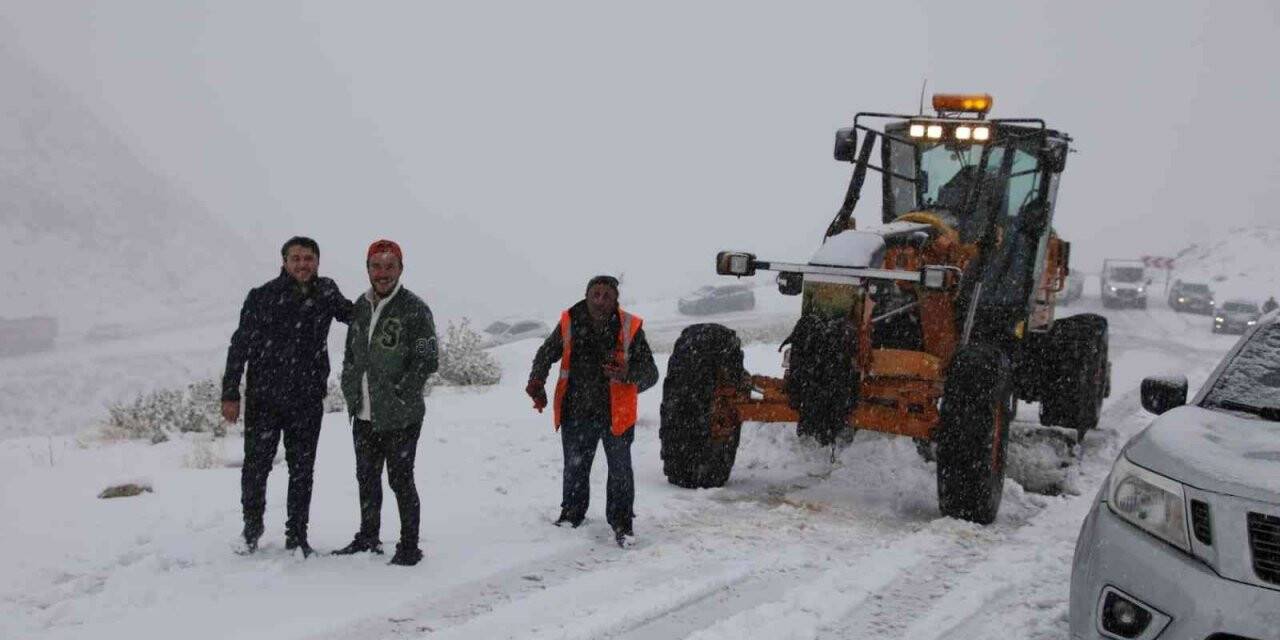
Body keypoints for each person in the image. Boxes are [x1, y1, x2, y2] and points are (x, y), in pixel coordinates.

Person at [222, 236, 353, 556]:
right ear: (284, 262)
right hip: (264, 398)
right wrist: (230, 393)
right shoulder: (262, 296)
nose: (302, 264)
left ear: (317, 262)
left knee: (302, 468)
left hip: (307, 398)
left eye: (308, 258)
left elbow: (355, 317)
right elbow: (239, 345)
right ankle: (251, 529)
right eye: (295, 258)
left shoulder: (326, 293)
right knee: (256, 467)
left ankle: (297, 535)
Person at [525, 275, 659, 547]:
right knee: (575, 467)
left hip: (615, 414)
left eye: (606, 295)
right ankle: (572, 514)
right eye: (595, 294)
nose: (600, 300)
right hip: (576, 411)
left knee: (620, 471)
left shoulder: (629, 327)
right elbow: (545, 353)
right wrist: (536, 380)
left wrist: (627, 374)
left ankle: (622, 524)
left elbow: (651, 373)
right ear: (586, 296)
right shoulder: (570, 321)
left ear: (615, 300)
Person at [333, 239, 438, 566]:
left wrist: (401, 391)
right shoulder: (360, 307)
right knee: (366, 477)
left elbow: (427, 358)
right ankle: (368, 536)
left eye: (389, 266)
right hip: (363, 413)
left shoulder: (415, 309)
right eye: (376, 266)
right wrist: (350, 380)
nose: (382, 273)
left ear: (400, 269)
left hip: (400, 416)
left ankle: (409, 546)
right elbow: (351, 351)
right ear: (367, 269)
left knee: (400, 480)